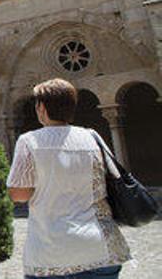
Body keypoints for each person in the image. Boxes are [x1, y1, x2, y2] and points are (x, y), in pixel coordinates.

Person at [7, 78, 130, 279]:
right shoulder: (92, 137)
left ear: (42, 108)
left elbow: (19, 194)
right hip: (99, 245)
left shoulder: (29, 141)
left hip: (53, 250)